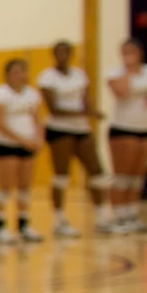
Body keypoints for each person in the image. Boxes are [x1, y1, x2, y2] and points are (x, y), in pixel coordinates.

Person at [36, 40, 106, 237]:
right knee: (61, 175)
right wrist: (85, 112)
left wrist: (90, 111)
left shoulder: (79, 75)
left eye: (66, 52)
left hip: (81, 128)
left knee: (97, 171)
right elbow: (54, 109)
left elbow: (87, 101)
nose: (62, 56)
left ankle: (100, 217)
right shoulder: (47, 77)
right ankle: (59, 220)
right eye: (58, 52)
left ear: (71, 54)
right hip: (59, 130)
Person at [103, 38, 147, 233]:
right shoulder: (115, 73)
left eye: (132, 51)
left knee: (138, 176)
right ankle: (118, 216)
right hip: (123, 128)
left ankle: (132, 213)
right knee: (122, 175)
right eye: (124, 51)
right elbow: (121, 93)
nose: (129, 54)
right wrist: (129, 71)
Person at [0, 57, 46, 244]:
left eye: (23, 71)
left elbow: (37, 119)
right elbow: (0, 123)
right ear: (7, 75)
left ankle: (23, 224)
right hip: (8, 145)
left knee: (25, 186)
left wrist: (38, 138)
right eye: (16, 71)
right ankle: (0, 225)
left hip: (29, 145)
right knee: (5, 186)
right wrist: (23, 140)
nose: (20, 75)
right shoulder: (0, 94)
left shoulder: (32, 94)